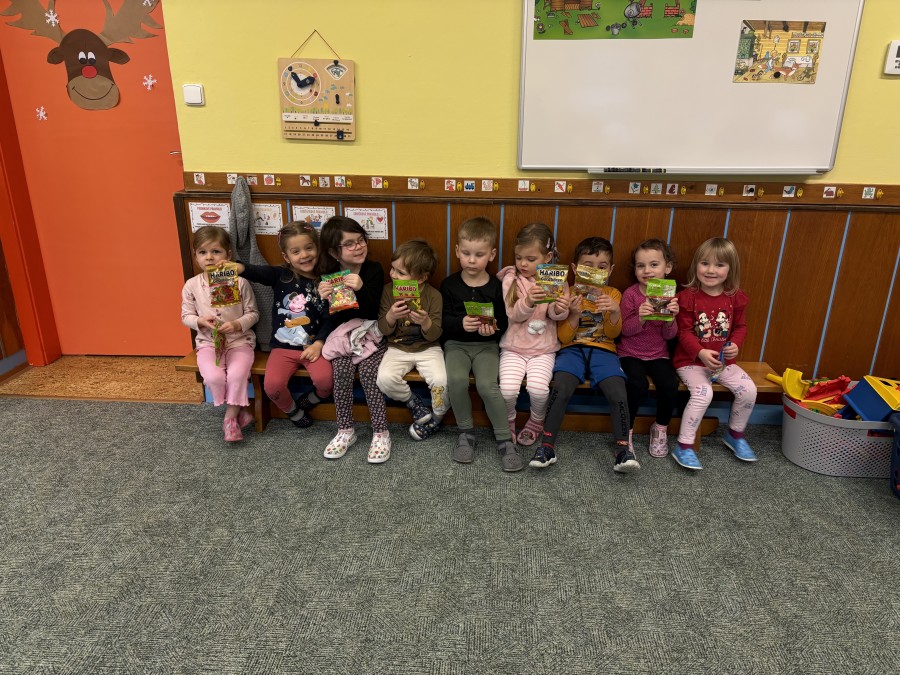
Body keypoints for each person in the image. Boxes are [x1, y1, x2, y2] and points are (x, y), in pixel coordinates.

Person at [530, 236, 638, 473]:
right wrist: (573, 314)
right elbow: (564, 337)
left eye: (602, 267)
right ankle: (546, 446)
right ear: (574, 268)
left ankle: (623, 449)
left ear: (610, 270)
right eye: (588, 266)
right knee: (561, 387)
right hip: (572, 350)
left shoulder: (613, 294)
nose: (595, 271)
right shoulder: (566, 293)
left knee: (618, 389)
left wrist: (614, 312)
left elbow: (613, 334)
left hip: (604, 350)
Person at [235, 222, 333, 430]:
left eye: (309, 248)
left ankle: (311, 399)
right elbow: (257, 272)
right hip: (282, 348)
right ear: (286, 257)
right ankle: (293, 411)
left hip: (314, 347)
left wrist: (319, 343)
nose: (304, 255)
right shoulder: (281, 275)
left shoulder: (328, 281)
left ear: (318, 248)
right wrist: (238, 268)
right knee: (272, 386)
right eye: (296, 251)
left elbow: (330, 318)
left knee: (326, 382)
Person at [673, 237, 758, 470]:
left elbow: (740, 327)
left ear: (730, 269)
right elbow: (683, 332)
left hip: (723, 362)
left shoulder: (735, 297)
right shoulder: (687, 297)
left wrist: (735, 344)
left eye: (719, 265)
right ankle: (684, 446)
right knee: (703, 394)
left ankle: (735, 435)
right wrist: (700, 352)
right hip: (690, 362)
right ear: (696, 266)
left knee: (749, 390)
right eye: (705, 263)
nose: (711, 270)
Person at [440, 217, 518, 471]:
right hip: (456, 344)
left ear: (492, 255)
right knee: (456, 380)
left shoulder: (497, 287)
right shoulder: (449, 284)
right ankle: (465, 432)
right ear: (457, 251)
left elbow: (504, 321)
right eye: (466, 253)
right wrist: (459, 324)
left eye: (479, 254)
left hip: (486, 346)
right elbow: (442, 320)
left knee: (487, 385)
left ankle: (504, 439)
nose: (471, 260)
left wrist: (492, 329)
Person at [317, 216, 389, 463]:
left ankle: (381, 433)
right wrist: (325, 299)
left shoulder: (373, 269)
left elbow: (375, 312)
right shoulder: (330, 275)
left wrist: (360, 289)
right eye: (349, 244)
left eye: (361, 240)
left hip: (372, 335)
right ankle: (345, 430)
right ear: (333, 252)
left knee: (369, 373)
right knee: (341, 371)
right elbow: (333, 319)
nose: (358, 247)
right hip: (345, 340)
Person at [181, 226, 259, 442]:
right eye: (203, 252)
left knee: (237, 375)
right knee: (214, 377)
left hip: (239, 342)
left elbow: (253, 313)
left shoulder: (240, 282)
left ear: (228, 255)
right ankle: (240, 412)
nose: (209, 257)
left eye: (216, 251)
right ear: (195, 255)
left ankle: (230, 418)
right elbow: (186, 316)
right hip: (208, 343)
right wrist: (199, 321)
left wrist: (237, 324)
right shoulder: (191, 286)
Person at [497, 223, 569, 447]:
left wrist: (560, 308)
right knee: (507, 390)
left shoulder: (557, 280)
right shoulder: (512, 280)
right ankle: (509, 420)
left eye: (530, 259)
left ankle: (537, 421)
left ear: (547, 257)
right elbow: (513, 314)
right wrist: (528, 301)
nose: (523, 264)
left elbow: (556, 316)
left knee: (538, 390)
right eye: (519, 258)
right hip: (513, 348)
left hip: (543, 350)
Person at [376, 239, 448, 443]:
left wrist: (425, 322)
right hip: (397, 346)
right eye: (393, 268)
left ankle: (437, 417)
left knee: (441, 382)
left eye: (400, 272)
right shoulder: (388, 291)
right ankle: (413, 402)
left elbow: (435, 335)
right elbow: (383, 329)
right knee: (384, 379)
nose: (392, 274)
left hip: (428, 348)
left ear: (421, 278)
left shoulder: (434, 296)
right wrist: (391, 316)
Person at [618, 239, 680, 459]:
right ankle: (627, 432)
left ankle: (660, 428)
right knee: (636, 384)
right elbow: (624, 331)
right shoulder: (631, 295)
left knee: (670, 384)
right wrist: (641, 318)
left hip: (658, 354)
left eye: (654, 264)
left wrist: (671, 319)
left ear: (667, 267)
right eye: (640, 265)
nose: (647, 271)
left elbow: (669, 336)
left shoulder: (670, 296)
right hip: (629, 353)